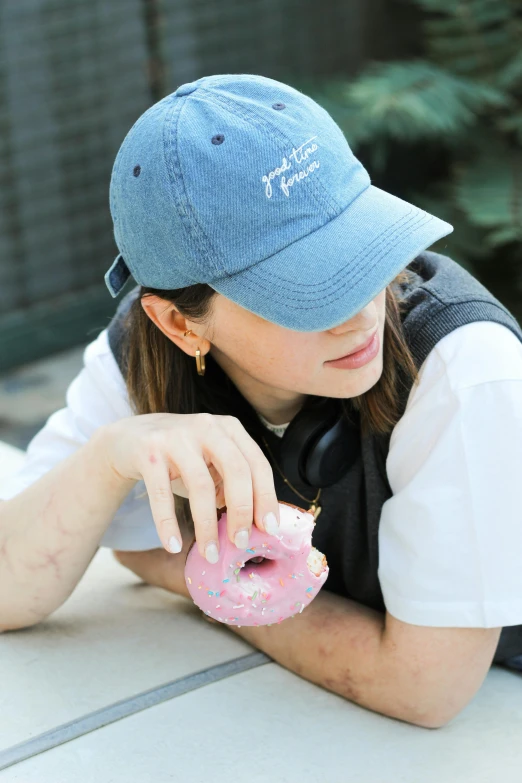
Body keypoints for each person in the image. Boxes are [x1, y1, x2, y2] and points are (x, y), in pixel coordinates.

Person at [1, 73, 522, 728]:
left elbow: (425, 688)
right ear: (179, 324)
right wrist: (111, 455)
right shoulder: (139, 352)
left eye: (363, 248)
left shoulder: (466, 367)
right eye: (305, 287)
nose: (362, 310)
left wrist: (188, 576)